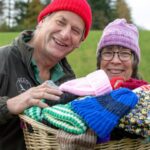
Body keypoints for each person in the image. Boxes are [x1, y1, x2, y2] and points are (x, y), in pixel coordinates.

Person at [0, 0, 92, 149]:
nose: (65, 34)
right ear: (42, 21)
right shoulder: (3, 58)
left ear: (79, 42)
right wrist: (10, 104)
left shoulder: (69, 82)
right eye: (60, 22)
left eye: (75, 31)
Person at [96, 18, 144, 140]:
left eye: (124, 53)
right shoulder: (82, 93)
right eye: (108, 52)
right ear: (99, 60)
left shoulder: (146, 97)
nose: (115, 61)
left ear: (134, 62)